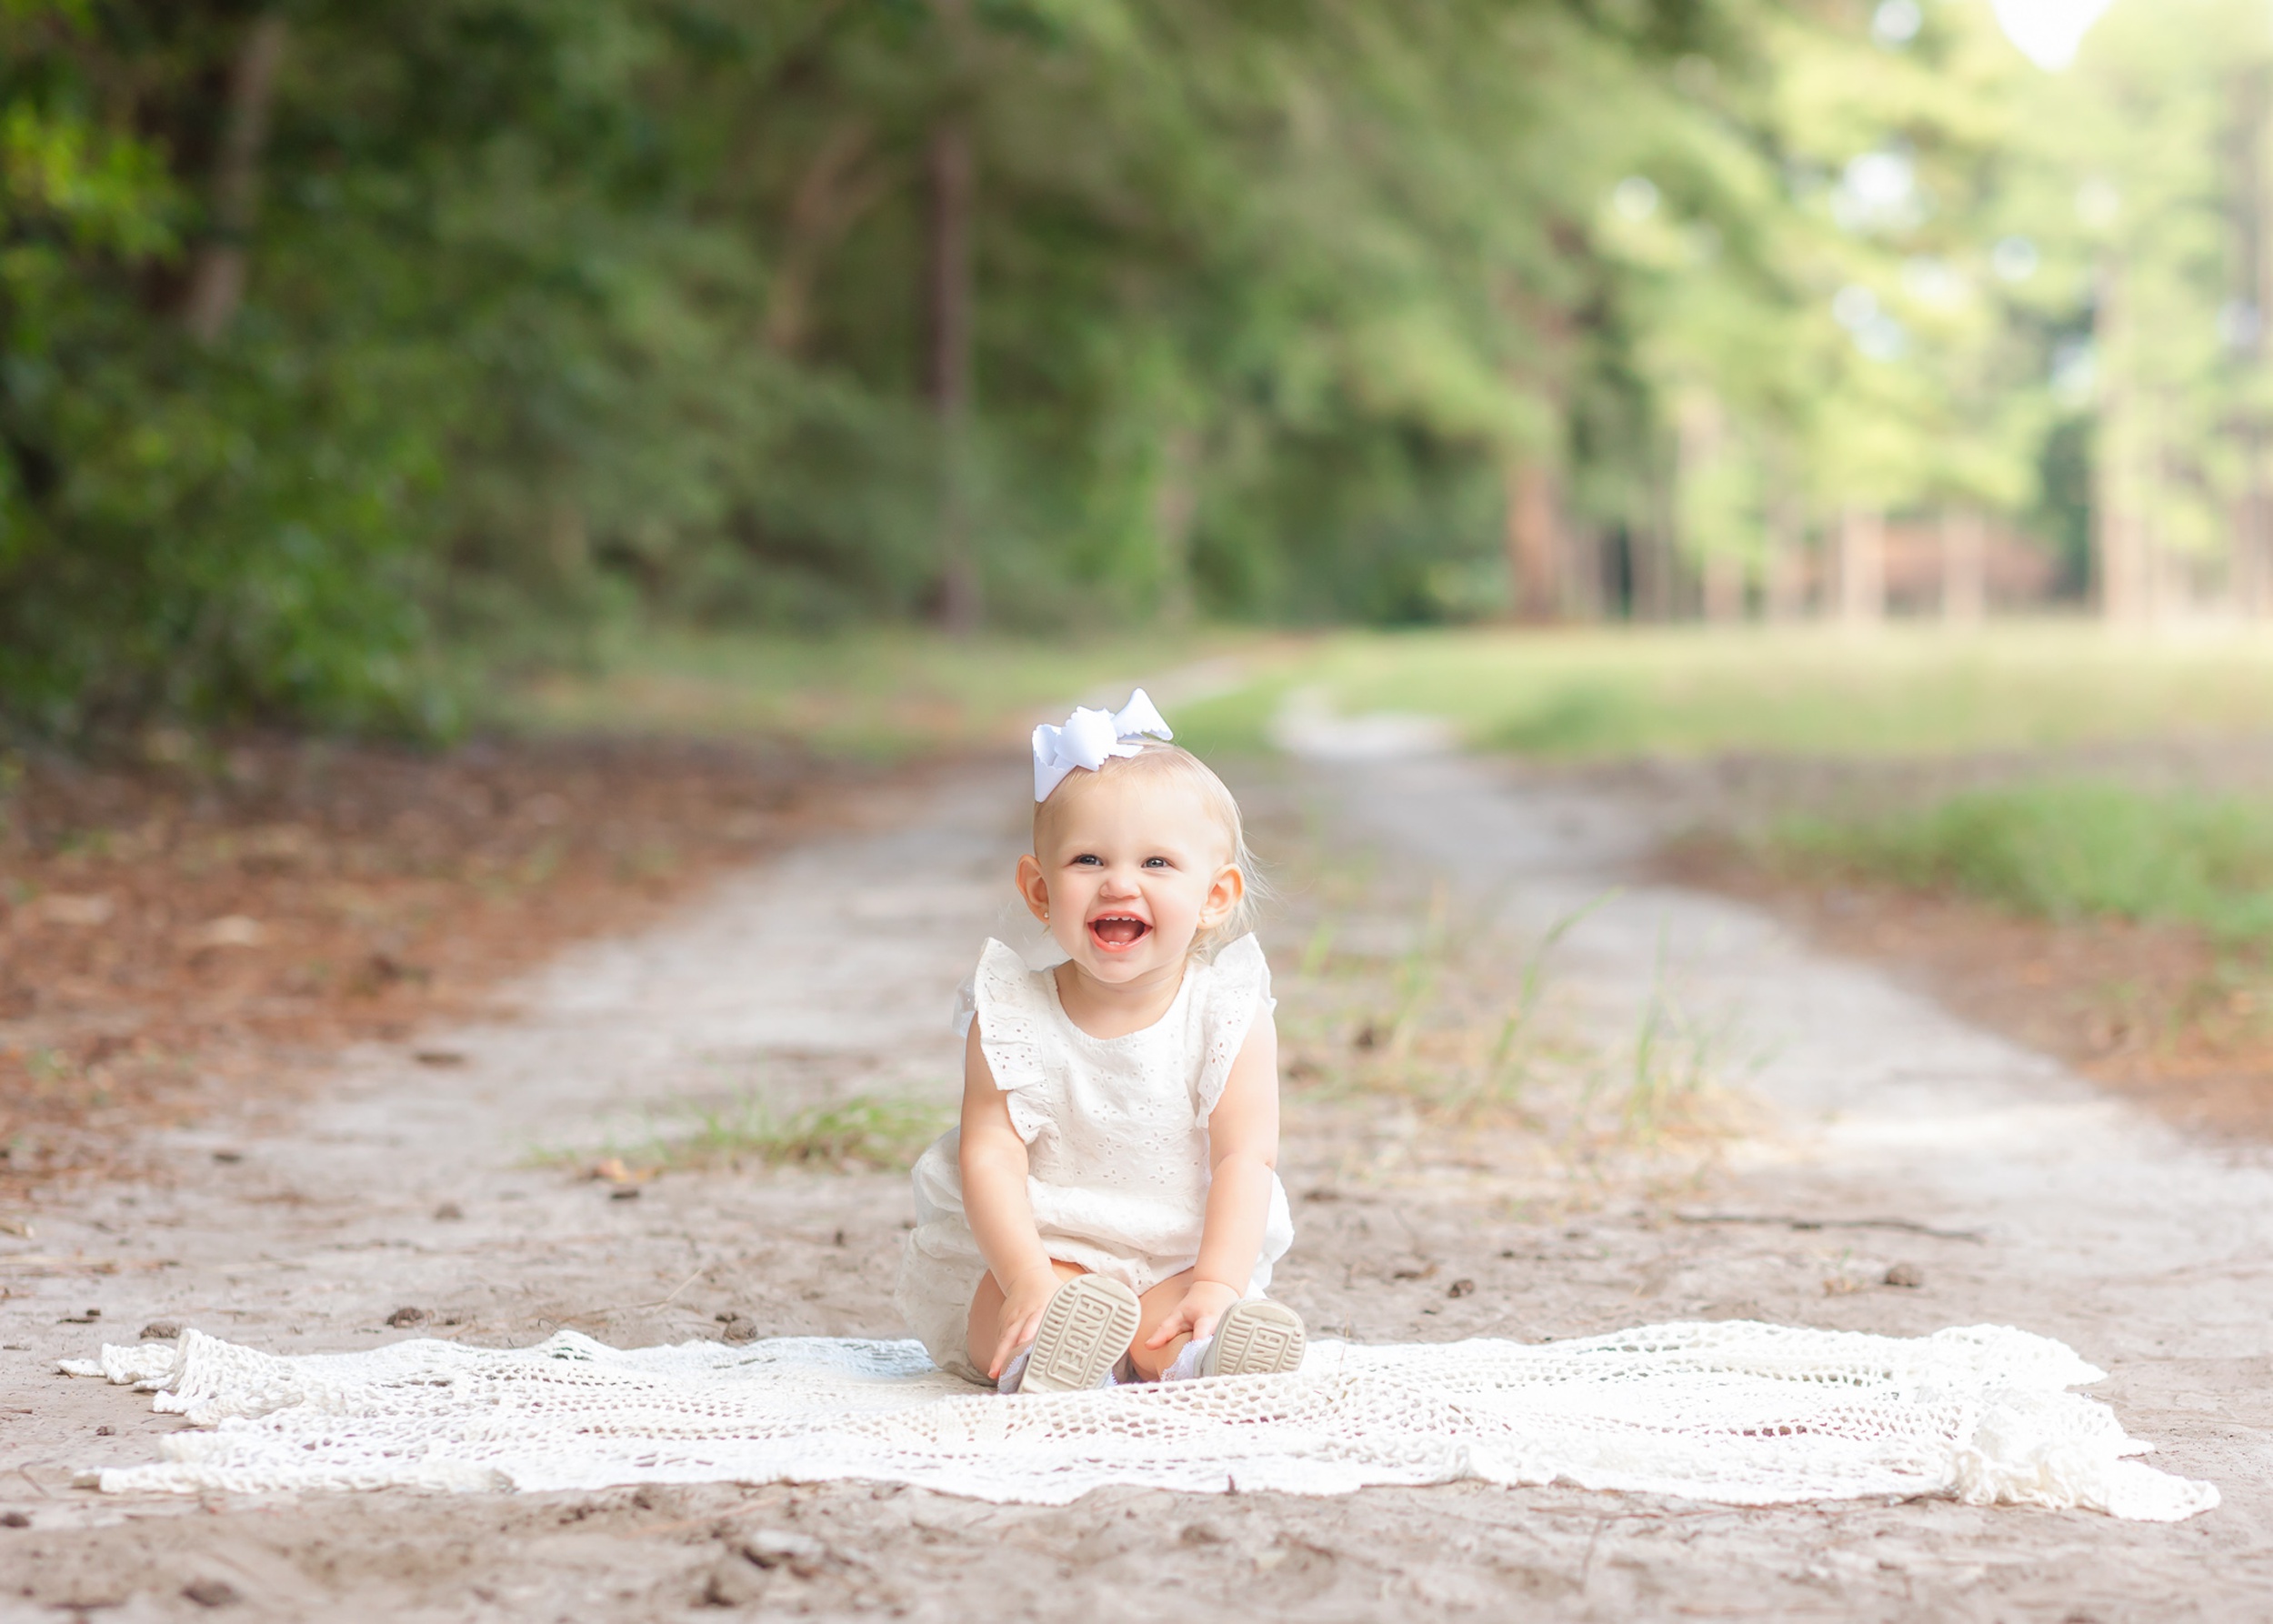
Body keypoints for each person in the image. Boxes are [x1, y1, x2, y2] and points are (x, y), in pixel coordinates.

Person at [895, 691, 1305, 1393]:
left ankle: (1199, 1352)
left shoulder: (1226, 1012)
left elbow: (1246, 1156)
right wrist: (1025, 1275)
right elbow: (989, 1152)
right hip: (1044, 1245)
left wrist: (1217, 1281)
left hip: (1176, 1253)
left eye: (1156, 864)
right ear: (1040, 890)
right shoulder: (1012, 1012)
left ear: (1215, 895)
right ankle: (1049, 1351)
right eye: (1088, 860)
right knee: (1016, 1306)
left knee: (1182, 1315)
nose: (1119, 883)